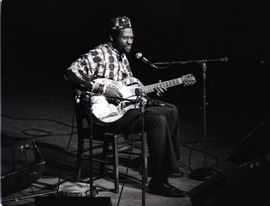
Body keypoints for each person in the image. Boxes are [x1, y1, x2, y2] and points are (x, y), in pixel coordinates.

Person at [65, 16, 186, 198]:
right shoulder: (99, 54)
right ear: (113, 37)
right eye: (125, 37)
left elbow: (128, 92)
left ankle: (168, 165)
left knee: (171, 111)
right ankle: (159, 181)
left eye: (131, 37)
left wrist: (148, 92)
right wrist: (102, 88)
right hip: (106, 116)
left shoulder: (122, 58)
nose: (130, 41)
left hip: (123, 110)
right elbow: (70, 72)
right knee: (157, 121)